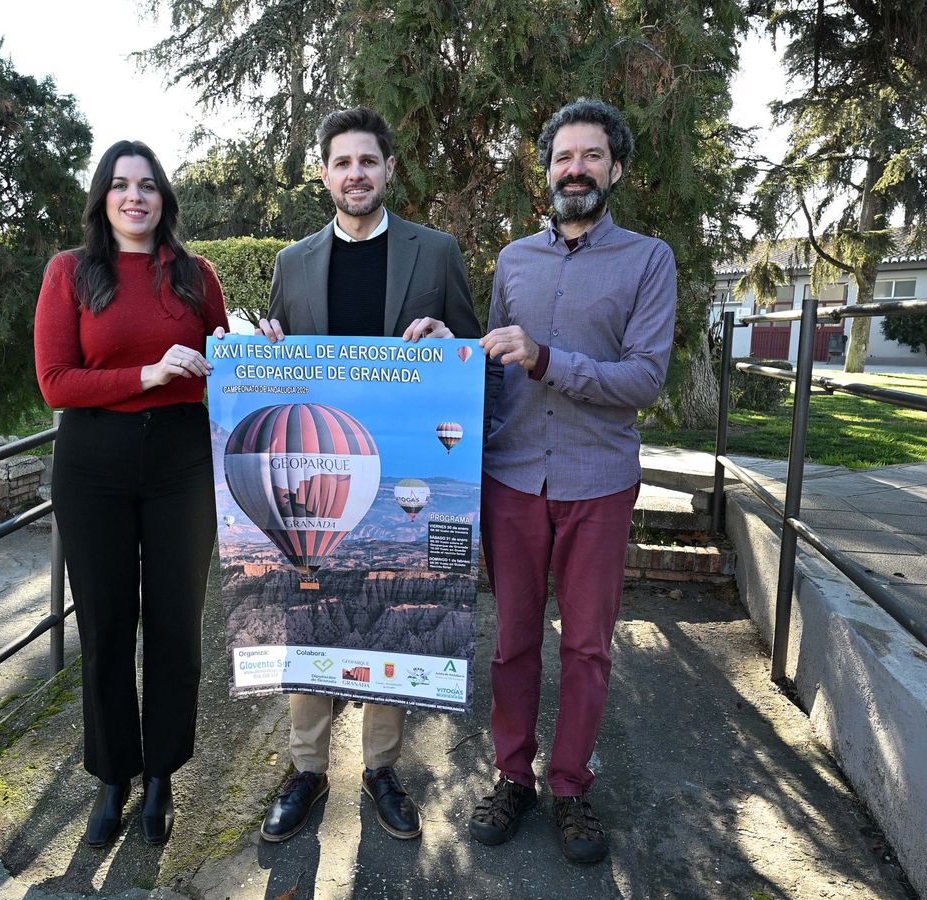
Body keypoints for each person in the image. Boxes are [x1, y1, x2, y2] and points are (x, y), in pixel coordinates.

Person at [251, 107, 481, 843]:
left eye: (368, 162)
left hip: (405, 472)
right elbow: (280, 376)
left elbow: (472, 355)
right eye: (342, 163)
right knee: (307, 608)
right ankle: (307, 769)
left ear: (388, 171)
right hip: (317, 474)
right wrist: (267, 355)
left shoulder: (436, 253)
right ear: (323, 175)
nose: (356, 174)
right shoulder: (291, 264)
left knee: (391, 614)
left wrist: (453, 341)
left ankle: (381, 769)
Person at [468, 98, 677, 865]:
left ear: (615, 169)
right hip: (513, 478)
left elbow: (645, 378)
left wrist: (547, 358)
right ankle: (512, 777)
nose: (576, 169)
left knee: (587, 646)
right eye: (563, 156)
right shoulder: (513, 261)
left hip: (597, 482)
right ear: (547, 170)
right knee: (513, 641)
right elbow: (492, 371)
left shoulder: (649, 260)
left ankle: (570, 787)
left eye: (592, 156)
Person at [34, 139, 229, 848]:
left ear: (163, 198)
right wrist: (147, 374)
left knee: (176, 626)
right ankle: (114, 775)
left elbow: (226, 374)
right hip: (93, 466)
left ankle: (164, 773)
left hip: (181, 464)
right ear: (103, 197)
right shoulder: (71, 273)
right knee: (109, 627)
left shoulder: (194, 276)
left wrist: (254, 351)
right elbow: (55, 382)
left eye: (147, 185)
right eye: (121, 185)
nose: (135, 197)